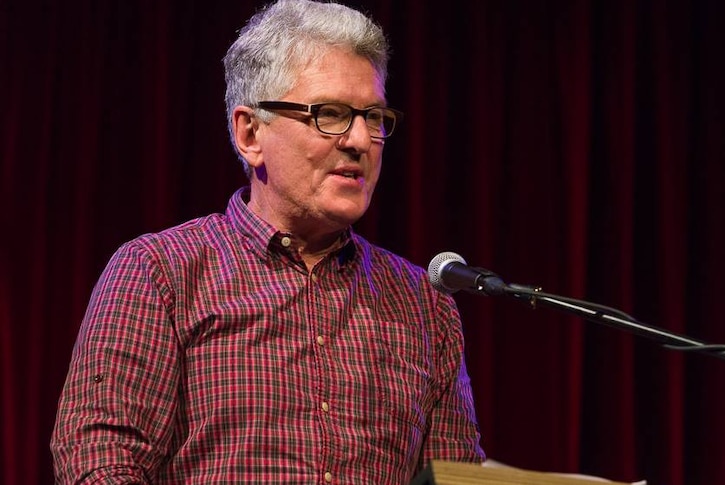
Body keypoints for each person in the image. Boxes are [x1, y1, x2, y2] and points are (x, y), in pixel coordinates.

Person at [50, 0, 486, 483]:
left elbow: (456, 476)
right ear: (250, 132)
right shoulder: (160, 272)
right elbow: (101, 461)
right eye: (332, 113)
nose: (360, 140)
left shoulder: (425, 304)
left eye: (374, 117)